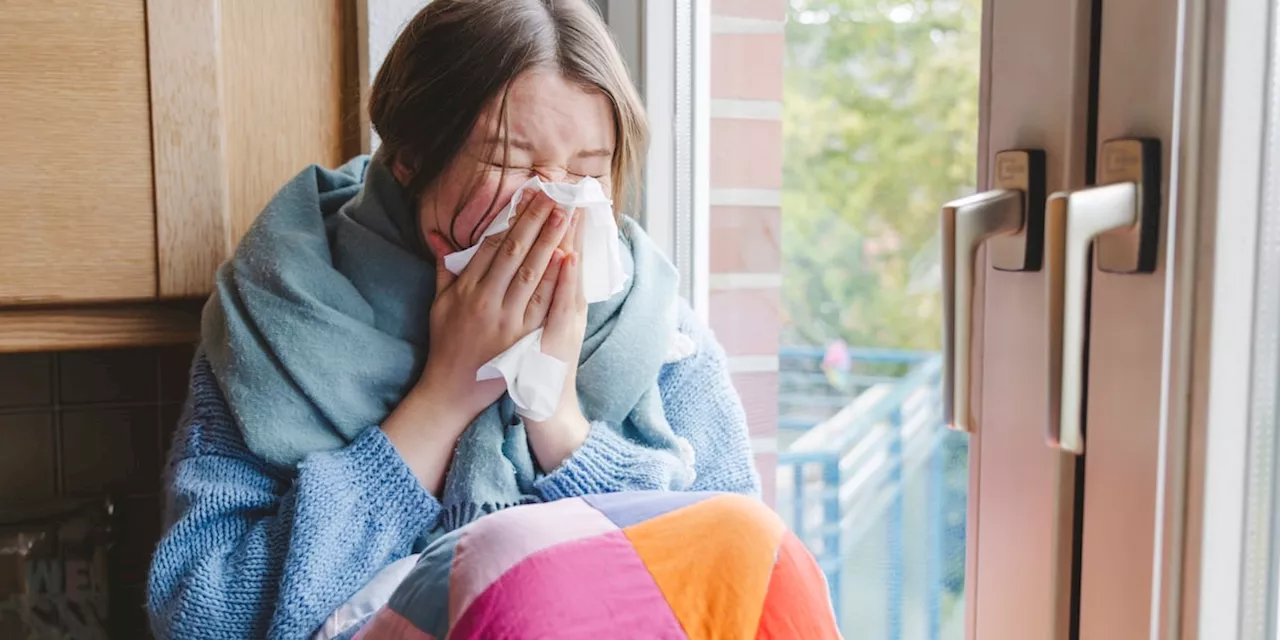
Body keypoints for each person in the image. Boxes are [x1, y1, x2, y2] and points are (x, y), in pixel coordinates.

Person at [146, 1, 765, 638]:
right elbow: (202, 617)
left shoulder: (658, 332)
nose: (551, 205)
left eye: (586, 171)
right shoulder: (276, 313)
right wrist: (442, 398)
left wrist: (555, 417)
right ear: (411, 155)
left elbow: (740, 589)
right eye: (511, 163)